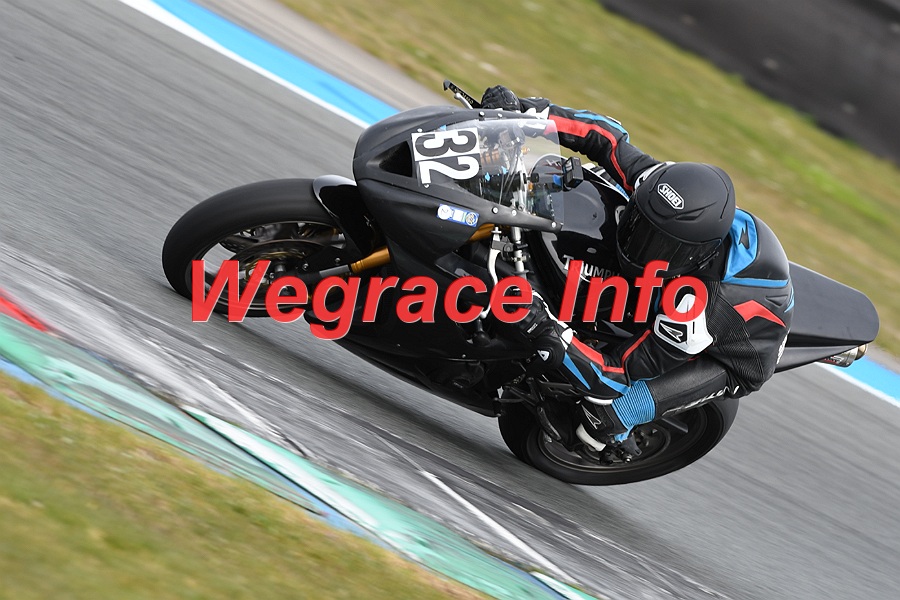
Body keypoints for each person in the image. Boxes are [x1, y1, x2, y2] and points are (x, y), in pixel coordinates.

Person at [480, 85, 794, 458]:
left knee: (606, 414)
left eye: (659, 247)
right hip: (698, 272)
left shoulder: (694, 310)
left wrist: (548, 332)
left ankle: (615, 436)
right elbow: (606, 137)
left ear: (693, 256)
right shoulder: (659, 186)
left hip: (732, 355)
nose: (639, 245)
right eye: (640, 226)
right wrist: (527, 112)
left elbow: (616, 373)